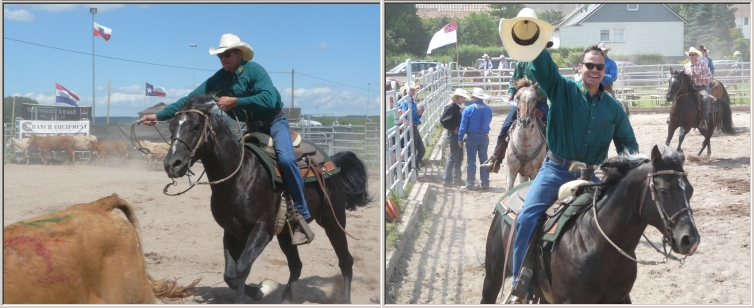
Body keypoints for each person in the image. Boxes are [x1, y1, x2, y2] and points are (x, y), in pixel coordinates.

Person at [500, 9, 638, 304]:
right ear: (580, 67)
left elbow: (628, 145)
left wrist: (633, 171)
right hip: (555, 171)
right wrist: (533, 37)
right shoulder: (561, 90)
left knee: (621, 219)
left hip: (592, 176)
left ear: (604, 71)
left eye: (599, 67)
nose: (594, 70)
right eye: (589, 65)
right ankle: (520, 284)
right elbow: (543, 66)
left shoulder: (613, 108)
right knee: (526, 218)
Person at [140, 33, 315, 246]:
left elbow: (269, 98)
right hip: (251, 128)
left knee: (286, 159)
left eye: (227, 54)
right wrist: (158, 116)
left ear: (238, 54)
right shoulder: (219, 78)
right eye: (220, 55)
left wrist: (236, 100)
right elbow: (190, 100)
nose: (223, 58)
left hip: (274, 123)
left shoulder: (255, 71)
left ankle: (301, 215)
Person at [482, 60, 550, 174]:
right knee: (505, 127)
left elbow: (551, 82)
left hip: (540, 100)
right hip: (523, 101)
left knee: (553, 128)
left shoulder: (547, 63)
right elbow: (514, 79)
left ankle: (554, 162)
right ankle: (495, 160)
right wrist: (511, 92)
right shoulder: (522, 63)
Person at [458, 88, 493, 190]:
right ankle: (485, 183)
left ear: (474, 97)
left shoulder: (468, 109)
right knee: (484, 159)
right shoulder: (488, 109)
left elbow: (463, 126)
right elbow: (489, 120)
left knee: (471, 161)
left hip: (472, 136)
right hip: (484, 135)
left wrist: (460, 138)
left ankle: (470, 183)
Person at [440, 88, 470, 187]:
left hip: (456, 135)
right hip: (454, 135)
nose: (464, 100)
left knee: (458, 157)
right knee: (454, 157)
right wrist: (453, 128)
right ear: (459, 97)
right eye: (463, 98)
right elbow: (443, 120)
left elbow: (444, 120)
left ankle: (454, 179)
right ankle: (448, 179)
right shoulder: (451, 108)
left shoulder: (454, 107)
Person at [683, 46, 714, 129]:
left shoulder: (703, 64)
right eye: (690, 55)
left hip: (701, 87)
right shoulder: (686, 66)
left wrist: (698, 76)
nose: (691, 56)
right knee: (678, 97)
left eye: (692, 55)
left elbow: (709, 77)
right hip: (690, 89)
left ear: (697, 56)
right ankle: (674, 117)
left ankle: (704, 120)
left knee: (705, 98)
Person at [398, 82, 426, 171]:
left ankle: (414, 167)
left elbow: (411, 116)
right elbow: (405, 117)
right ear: (407, 91)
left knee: (420, 150)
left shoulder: (410, 101)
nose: (413, 91)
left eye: (414, 90)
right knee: (413, 150)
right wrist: (416, 113)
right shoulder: (406, 102)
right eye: (412, 90)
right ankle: (412, 169)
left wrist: (419, 113)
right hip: (410, 128)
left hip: (414, 127)